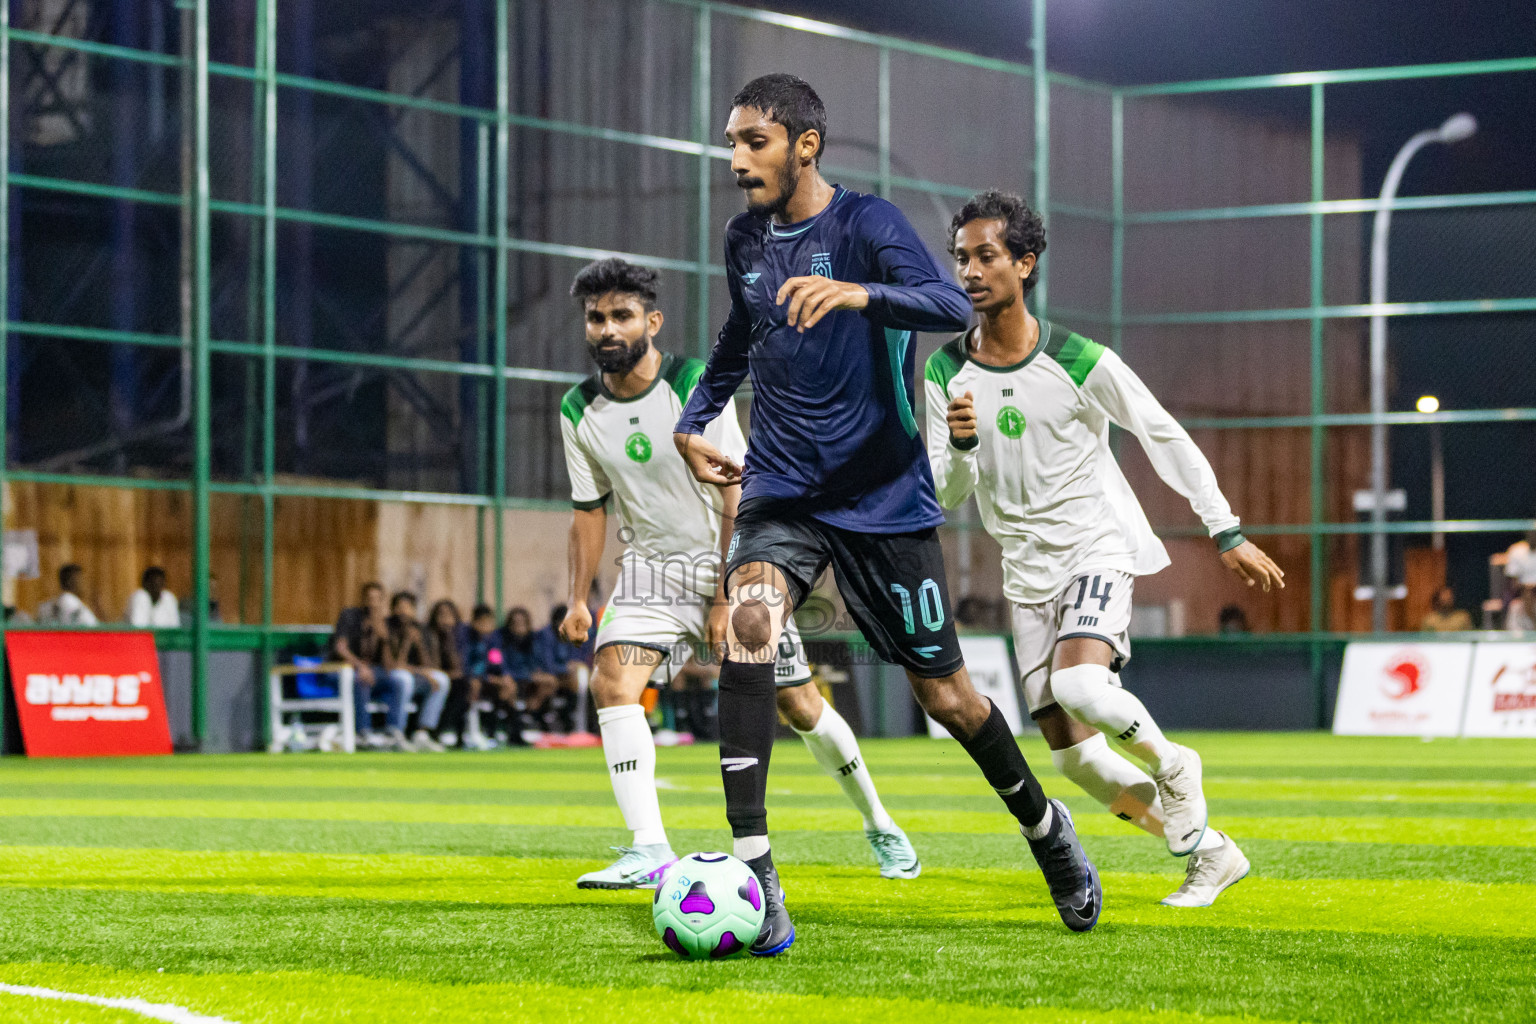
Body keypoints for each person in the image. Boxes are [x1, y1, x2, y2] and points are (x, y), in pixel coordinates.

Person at [674, 76, 1101, 955]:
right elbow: (737, 334)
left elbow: (951, 305)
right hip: (783, 488)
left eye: (753, 141)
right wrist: (691, 421)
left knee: (948, 698)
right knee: (749, 624)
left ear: (805, 144)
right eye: (731, 142)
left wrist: (860, 295)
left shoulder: (869, 226)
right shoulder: (744, 237)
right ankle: (756, 869)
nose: (736, 160)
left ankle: (1045, 828)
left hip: (883, 499)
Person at [927, 190, 1285, 907]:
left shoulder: (1078, 359)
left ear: (1024, 264)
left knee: (1082, 687)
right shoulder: (944, 372)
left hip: (1094, 547)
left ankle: (1176, 765)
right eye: (961, 257)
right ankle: (1211, 854)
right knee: (1078, 762)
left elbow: (1163, 435)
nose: (970, 270)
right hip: (1024, 573)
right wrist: (962, 447)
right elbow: (946, 494)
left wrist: (1226, 528)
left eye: (986, 255)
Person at [557, 256, 917, 893]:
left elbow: (737, 491)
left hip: (733, 558)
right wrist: (577, 598)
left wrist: (727, 596)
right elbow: (589, 511)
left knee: (802, 706)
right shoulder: (578, 409)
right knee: (612, 681)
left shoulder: (693, 384)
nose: (607, 329)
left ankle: (880, 822)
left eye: (621, 315)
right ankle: (649, 850)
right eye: (595, 318)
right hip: (650, 572)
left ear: (652, 321)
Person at [331, 582, 414, 751]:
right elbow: (340, 648)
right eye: (369, 598)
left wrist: (384, 639)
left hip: (373, 672)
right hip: (344, 670)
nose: (373, 602)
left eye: (377, 599)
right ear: (363, 599)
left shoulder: (385, 623)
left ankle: (394, 732)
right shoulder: (350, 616)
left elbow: (389, 666)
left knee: (399, 682)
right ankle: (363, 733)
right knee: (361, 679)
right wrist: (360, 666)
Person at [385, 592, 450, 752]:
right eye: (399, 607)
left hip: (415, 677)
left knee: (441, 679)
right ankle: (396, 732)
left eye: (407, 607)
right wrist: (407, 642)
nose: (403, 611)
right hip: (390, 677)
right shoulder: (388, 628)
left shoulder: (423, 630)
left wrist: (418, 643)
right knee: (404, 678)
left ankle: (422, 733)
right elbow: (395, 665)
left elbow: (429, 664)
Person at [459, 603, 522, 744]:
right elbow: (465, 664)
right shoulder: (467, 639)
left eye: (488, 622)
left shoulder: (492, 641)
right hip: (470, 678)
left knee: (508, 688)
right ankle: (471, 731)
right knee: (474, 686)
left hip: (488, 680)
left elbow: (496, 663)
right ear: (474, 622)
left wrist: (505, 676)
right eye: (482, 622)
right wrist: (482, 677)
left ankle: (511, 732)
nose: (486, 626)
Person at [502, 607, 562, 733]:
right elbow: (499, 665)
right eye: (516, 623)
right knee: (508, 686)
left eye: (523, 623)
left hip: (528, 679)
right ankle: (514, 725)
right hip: (510, 678)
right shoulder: (501, 640)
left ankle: (534, 715)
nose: (520, 627)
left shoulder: (534, 641)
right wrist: (523, 675)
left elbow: (538, 664)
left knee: (549, 681)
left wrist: (535, 675)